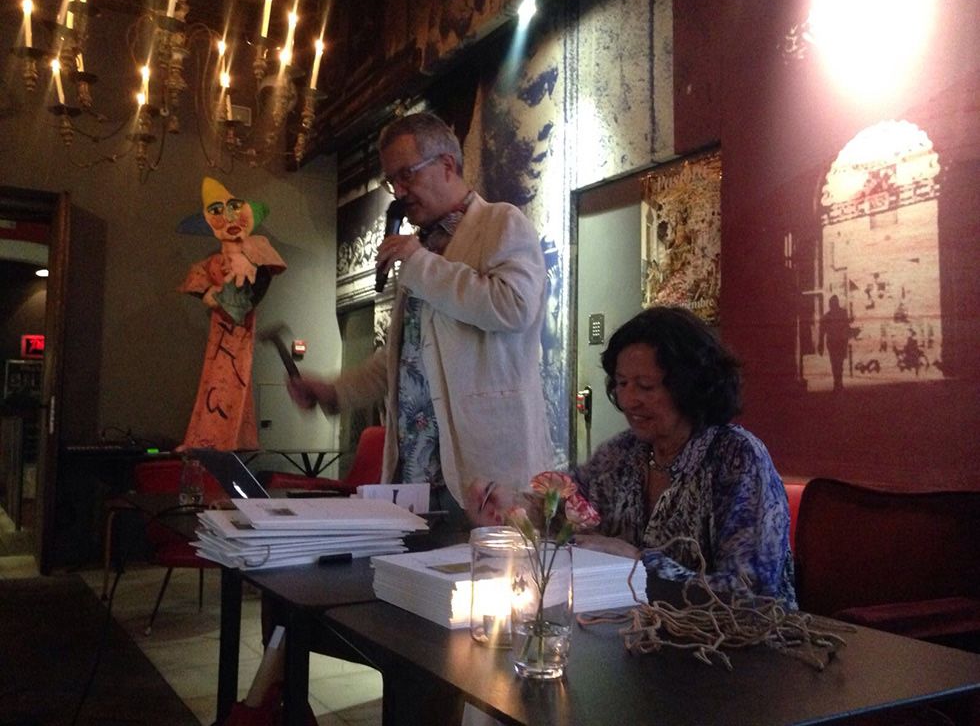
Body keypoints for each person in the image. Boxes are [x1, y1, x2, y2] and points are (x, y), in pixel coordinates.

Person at [287, 112, 553, 523]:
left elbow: (512, 306)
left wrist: (420, 263)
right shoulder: (423, 248)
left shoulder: (501, 222)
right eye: (391, 181)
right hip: (416, 472)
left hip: (485, 474)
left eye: (406, 175)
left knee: (487, 567)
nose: (398, 191)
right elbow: (405, 358)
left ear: (447, 164)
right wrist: (335, 391)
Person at [571, 306, 797, 607]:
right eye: (622, 383)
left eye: (645, 386)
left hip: (730, 635)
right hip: (630, 628)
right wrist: (522, 507)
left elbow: (750, 592)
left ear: (688, 387)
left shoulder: (736, 458)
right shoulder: (620, 454)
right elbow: (564, 501)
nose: (628, 400)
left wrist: (639, 562)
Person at [178, 177, 286, 451]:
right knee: (218, 376)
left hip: (239, 331)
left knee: (231, 377)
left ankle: (223, 438)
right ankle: (211, 438)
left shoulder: (257, 253)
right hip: (222, 333)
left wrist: (246, 260)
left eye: (235, 210)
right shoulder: (209, 265)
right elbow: (207, 292)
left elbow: (244, 301)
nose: (229, 220)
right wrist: (213, 294)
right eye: (218, 212)